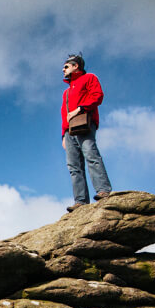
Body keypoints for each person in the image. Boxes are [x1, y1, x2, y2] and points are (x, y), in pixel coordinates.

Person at [61, 53, 112, 211]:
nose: (63, 69)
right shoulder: (66, 92)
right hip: (69, 131)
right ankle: (81, 202)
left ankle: (103, 191)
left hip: (84, 123)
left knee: (91, 154)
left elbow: (97, 96)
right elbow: (64, 113)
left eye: (66, 66)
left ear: (76, 66)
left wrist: (80, 109)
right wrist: (63, 135)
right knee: (73, 166)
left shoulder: (89, 78)